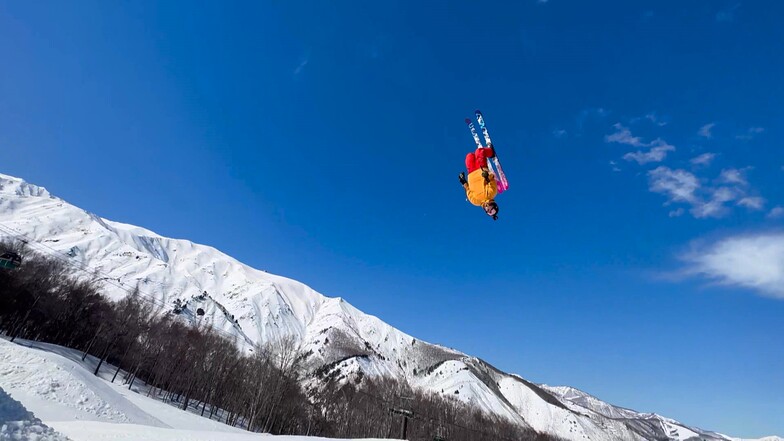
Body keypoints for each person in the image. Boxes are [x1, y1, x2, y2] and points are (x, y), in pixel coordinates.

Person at [459, 144, 499, 220]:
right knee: (480, 152)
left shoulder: (475, 201)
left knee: (469, 156)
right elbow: (491, 180)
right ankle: (491, 152)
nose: (488, 209)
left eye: (488, 212)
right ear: (494, 205)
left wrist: (463, 181)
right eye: (491, 209)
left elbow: (468, 190)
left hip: (472, 173)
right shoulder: (492, 193)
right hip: (481, 170)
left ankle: (480, 155)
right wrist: (487, 175)